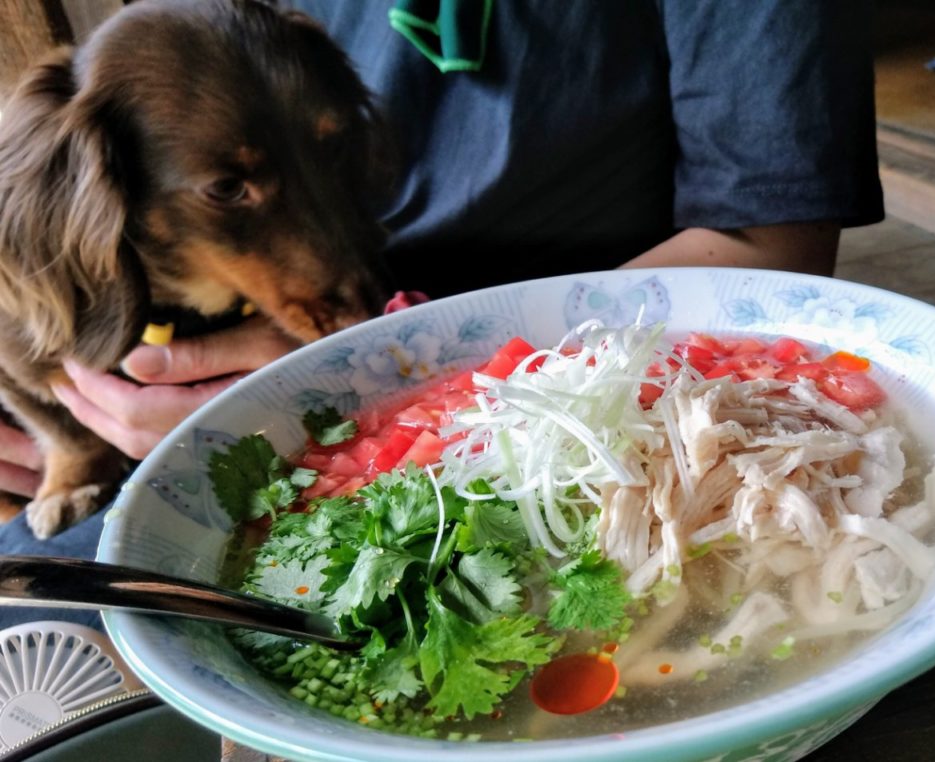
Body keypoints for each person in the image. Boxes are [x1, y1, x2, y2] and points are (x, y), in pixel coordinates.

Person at [0, 0, 883, 629]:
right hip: (250, 398)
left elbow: (769, 255)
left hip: (560, 404)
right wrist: (64, 429)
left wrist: (338, 383)